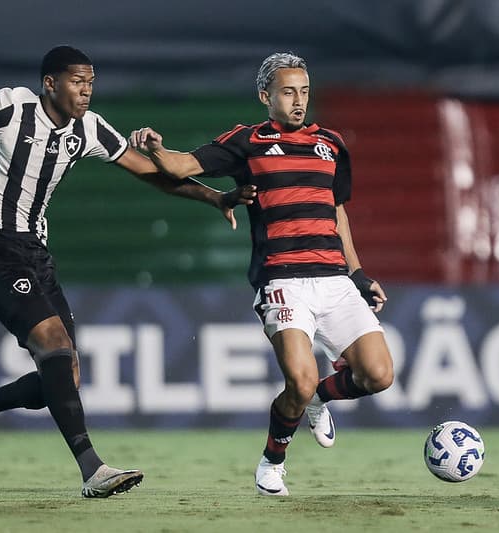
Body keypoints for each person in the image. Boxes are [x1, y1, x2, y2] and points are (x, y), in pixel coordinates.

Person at [0, 45, 254, 498]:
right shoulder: (14, 106)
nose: (86, 90)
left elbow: (147, 170)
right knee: (52, 343)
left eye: (90, 82)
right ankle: (92, 469)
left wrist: (214, 197)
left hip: (34, 249)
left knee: (63, 377)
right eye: (76, 81)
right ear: (50, 83)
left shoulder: (87, 128)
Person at [130, 51, 394, 496]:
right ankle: (273, 461)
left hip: (333, 278)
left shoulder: (330, 144)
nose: (298, 101)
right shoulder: (247, 141)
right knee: (300, 378)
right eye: (288, 92)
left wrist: (359, 273)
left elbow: (337, 211)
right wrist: (156, 148)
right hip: (283, 279)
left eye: (304, 92)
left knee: (379, 375)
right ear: (264, 95)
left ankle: (320, 400)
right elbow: (180, 167)